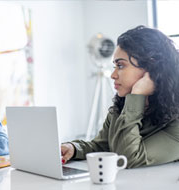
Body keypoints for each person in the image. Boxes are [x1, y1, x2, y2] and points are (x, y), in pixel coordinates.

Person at [61, 25, 179, 168]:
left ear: (151, 68)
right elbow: (104, 145)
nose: (113, 75)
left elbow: (128, 158)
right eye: (114, 66)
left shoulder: (175, 118)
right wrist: (74, 148)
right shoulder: (123, 104)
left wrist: (137, 95)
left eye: (121, 66)